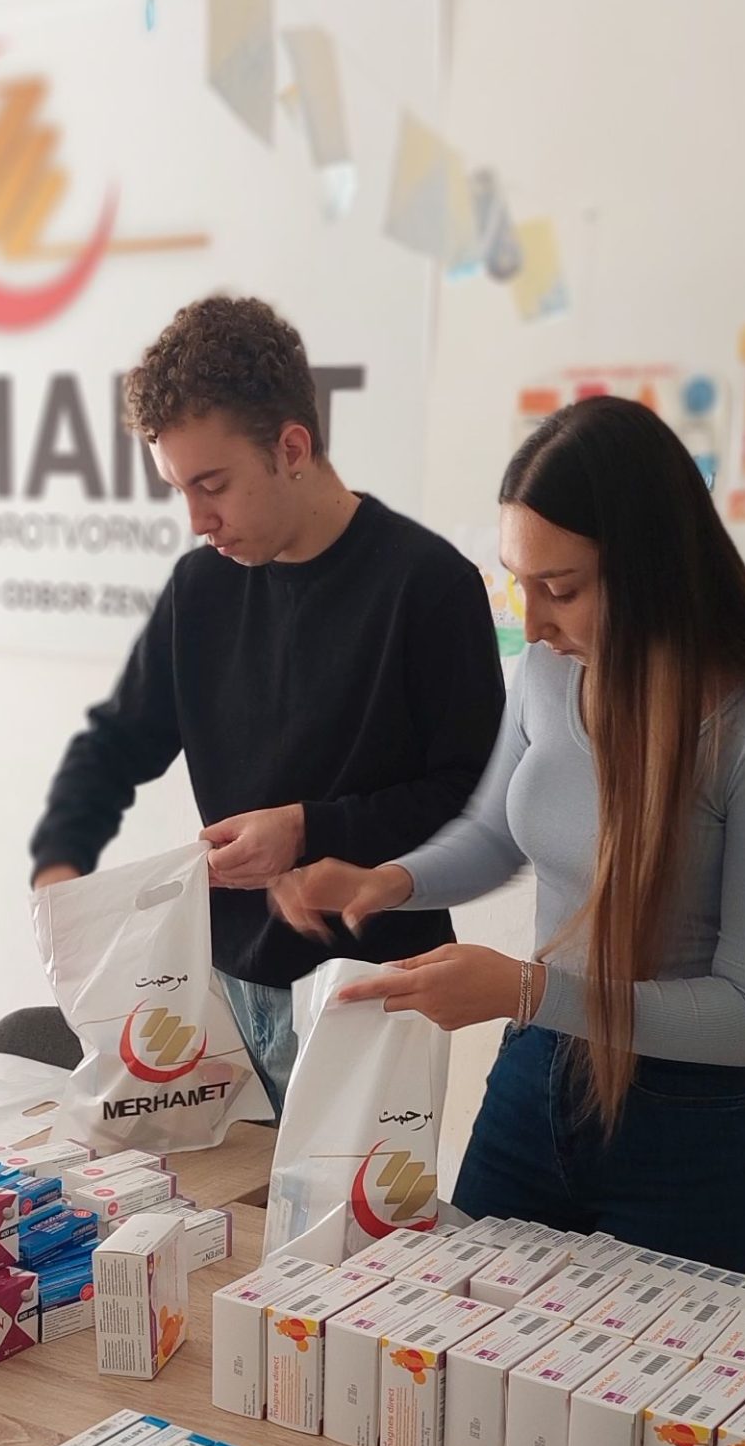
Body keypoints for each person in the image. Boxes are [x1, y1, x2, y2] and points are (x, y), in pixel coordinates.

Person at [272, 395, 745, 1275]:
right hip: (540, 1080)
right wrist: (389, 881)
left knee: (654, 1369)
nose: (534, 622)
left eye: (561, 590)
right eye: (520, 584)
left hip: (699, 1126)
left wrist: (525, 990)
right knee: (458, 1327)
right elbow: (496, 830)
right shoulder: (551, 674)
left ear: (655, 571)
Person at [28, 294, 504, 1114]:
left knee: (346, 1206)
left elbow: (473, 802)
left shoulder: (427, 587)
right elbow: (114, 744)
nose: (196, 520)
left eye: (212, 485)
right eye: (178, 489)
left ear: (292, 448)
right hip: (216, 986)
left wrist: (308, 829)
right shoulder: (201, 588)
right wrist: (60, 870)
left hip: (374, 991)